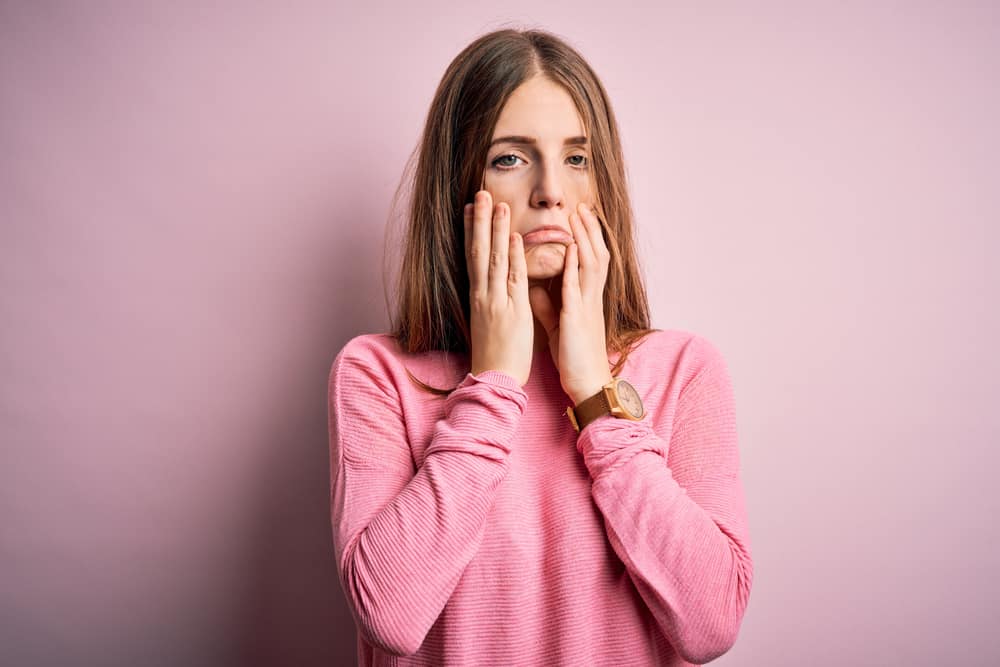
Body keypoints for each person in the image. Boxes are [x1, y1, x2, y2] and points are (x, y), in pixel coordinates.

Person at [328, 27, 753, 666]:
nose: (550, 189)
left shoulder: (684, 371)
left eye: (576, 158)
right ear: (457, 189)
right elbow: (389, 614)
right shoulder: (378, 374)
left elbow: (710, 626)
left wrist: (594, 393)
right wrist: (494, 383)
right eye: (511, 158)